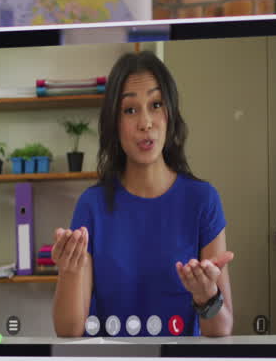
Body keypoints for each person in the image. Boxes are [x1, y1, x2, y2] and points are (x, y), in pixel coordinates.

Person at [51, 51, 234, 338]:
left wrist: (206, 295)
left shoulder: (203, 201)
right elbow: (68, 331)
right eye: (130, 110)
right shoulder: (92, 205)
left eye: (156, 105)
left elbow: (222, 328)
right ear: (114, 123)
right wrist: (68, 272)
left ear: (170, 113)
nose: (145, 123)